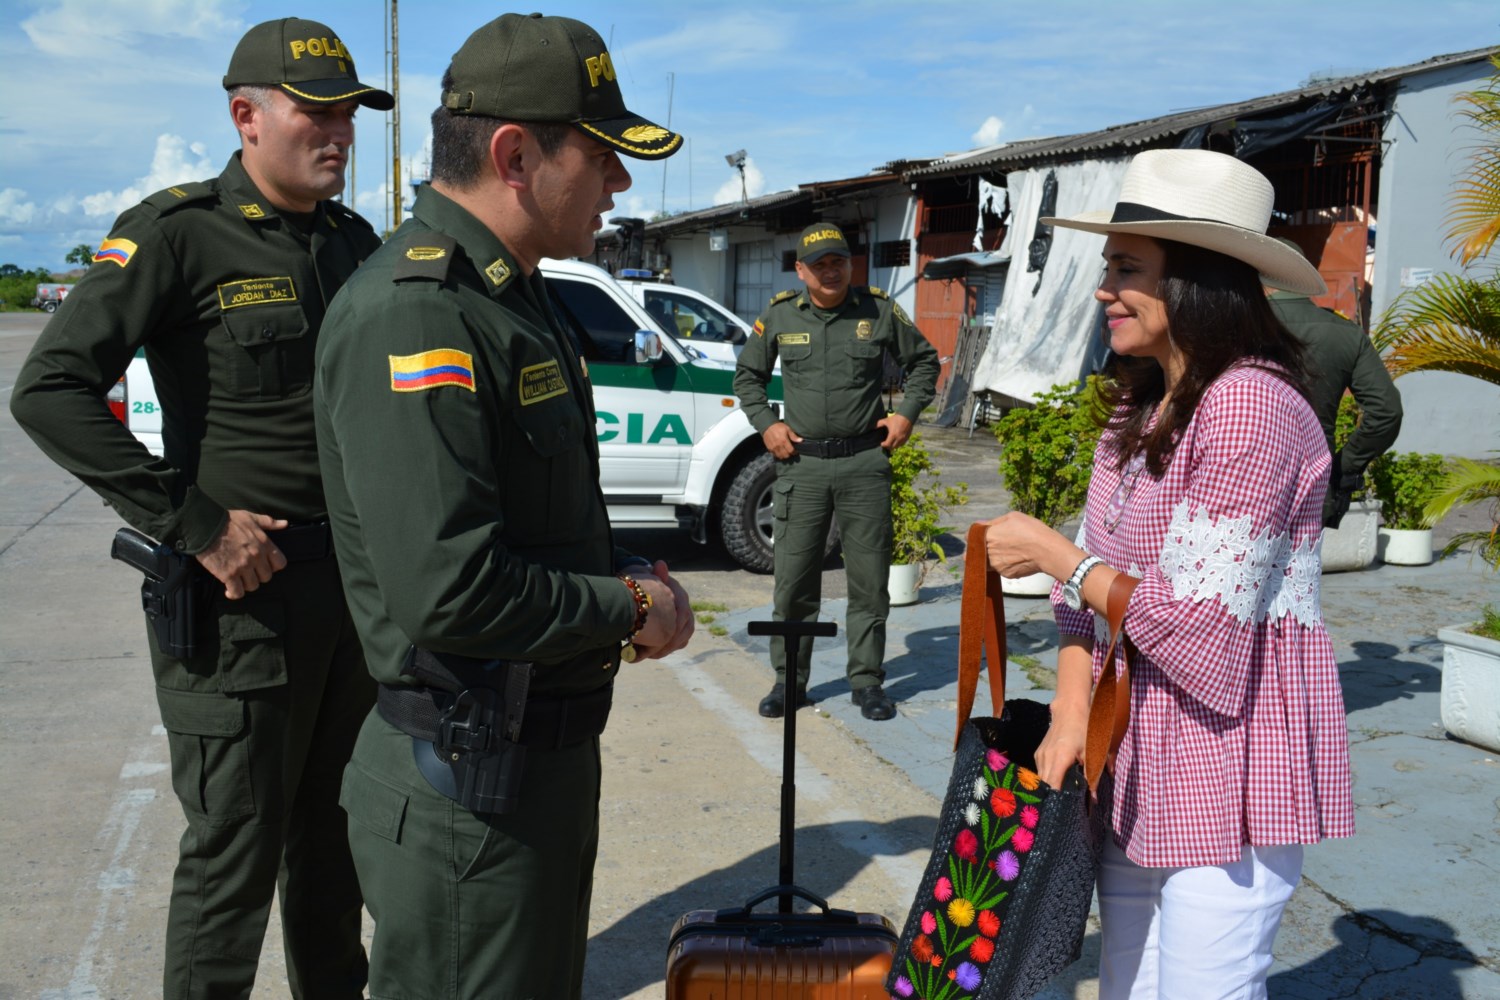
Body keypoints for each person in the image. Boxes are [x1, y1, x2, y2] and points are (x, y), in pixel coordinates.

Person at [311, 14, 694, 999]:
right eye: (601, 157)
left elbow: (540, 518)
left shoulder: (516, 298)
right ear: (516, 156)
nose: (621, 183)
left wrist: (622, 575)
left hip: (529, 770)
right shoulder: (419, 310)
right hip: (465, 787)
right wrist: (629, 607)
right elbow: (449, 589)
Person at [9, 18, 391, 999]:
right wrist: (198, 523)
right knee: (234, 857)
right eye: (318, 112)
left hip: (349, 601)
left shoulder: (354, 243)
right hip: (242, 604)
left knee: (335, 847)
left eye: (350, 114)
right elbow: (49, 390)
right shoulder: (177, 232)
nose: (340, 131)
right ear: (245, 117)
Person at [982, 149, 1354, 998]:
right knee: (1128, 985)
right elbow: (1083, 598)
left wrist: (1056, 555)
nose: (1103, 290)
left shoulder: (1252, 405)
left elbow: (1199, 634)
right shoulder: (1140, 406)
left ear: (1193, 281)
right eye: (1106, 266)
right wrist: (1068, 713)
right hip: (1133, 744)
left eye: (1126, 269)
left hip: (1231, 755)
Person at [734, 223, 941, 721]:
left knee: (868, 582)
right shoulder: (780, 314)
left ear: (851, 265)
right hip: (801, 466)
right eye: (819, 264)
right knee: (793, 583)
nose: (830, 271)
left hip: (864, 464)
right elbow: (747, 377)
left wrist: (906, 415)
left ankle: (867, 681)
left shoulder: (879, 310)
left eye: (838, 262)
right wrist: (767, 424)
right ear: (800, 270)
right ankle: (788, 682)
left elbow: (924, 363)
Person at [1267, 252, 1402, 528]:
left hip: (1234, 482)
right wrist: (1343, 466)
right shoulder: (1345, 332)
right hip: (1316, 486)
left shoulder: (1236, 326)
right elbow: (1386, 412)